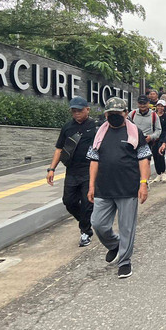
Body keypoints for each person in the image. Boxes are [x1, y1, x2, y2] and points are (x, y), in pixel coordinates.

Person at [86, 97, 152, 279]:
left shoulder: (134, 132)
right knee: (98, 223)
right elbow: (94, 160)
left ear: (125, 114)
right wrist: (91, 185)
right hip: (103, 188)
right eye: (111, 113)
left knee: (127, 228)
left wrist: (143, 184)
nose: (115, 116)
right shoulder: (100, 133)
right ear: (106, 114)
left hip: (127, 187)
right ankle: (114, 244)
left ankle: (124, 261)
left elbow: (144, 159)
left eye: (118, 113)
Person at [46, 97, 97, 247]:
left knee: (88, 202)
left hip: (89, 170)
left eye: (79, 110)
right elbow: (59, 149)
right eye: (73, 111)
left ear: (87, 109)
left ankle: (85, 232)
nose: (76, 114)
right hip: (72, 172)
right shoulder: (67, 127)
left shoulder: (95, 126)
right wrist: (51, 169)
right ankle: (86, 222)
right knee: (69, 201)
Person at [129, 95, 162, 177]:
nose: (142, 105)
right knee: (133, 163)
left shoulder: (154, 115)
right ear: (137, 103)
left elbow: (158, 130)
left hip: (147, 142)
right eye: (140, 103)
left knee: (146, 163)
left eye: (144, 103)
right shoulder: (132, 114)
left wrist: (151, 137)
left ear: (148, 103)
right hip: (133, 142)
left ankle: (145, 183)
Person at [152, 99, 166, 183]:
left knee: (161, 154)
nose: (160, 108)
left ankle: (163, 172)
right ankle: (158, 173)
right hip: (154, 137)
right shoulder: (153, 115)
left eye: (161, 106)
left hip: (163, 136)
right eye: (158, 106)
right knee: (155, 155)